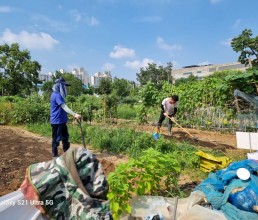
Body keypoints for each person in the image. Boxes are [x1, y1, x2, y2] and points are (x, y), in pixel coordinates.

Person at [50, 77, 81, 158]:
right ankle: (55, 155)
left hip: (62, 121)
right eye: (64, 86)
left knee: (65, 137)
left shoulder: (58, 95)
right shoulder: (56, 95)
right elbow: (64, 107)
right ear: (59, 86)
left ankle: (66, 154)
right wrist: (74, 114)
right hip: (57, 121)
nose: (65, 88)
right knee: (56, 139)